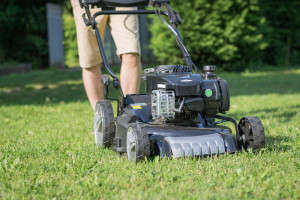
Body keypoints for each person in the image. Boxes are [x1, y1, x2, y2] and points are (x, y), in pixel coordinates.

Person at [70, 0, 142, 111]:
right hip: (87, 3)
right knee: (90, 60)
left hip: (124, 2)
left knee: (131, 52)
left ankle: (129, 115)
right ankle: (101, 120)